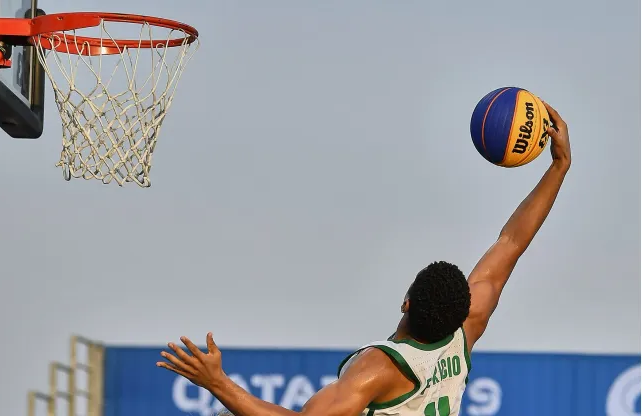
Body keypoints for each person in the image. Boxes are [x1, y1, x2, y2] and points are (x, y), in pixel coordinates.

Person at [157, 100, 572, 416]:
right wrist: (558, 166)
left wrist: (217, 383)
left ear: (406, 302)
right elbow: (511, 243)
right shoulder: (465, 331)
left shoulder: (382, 368)